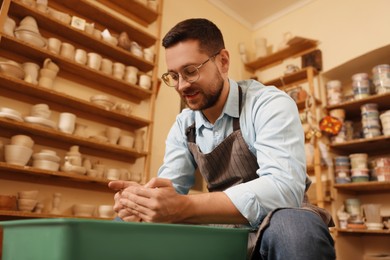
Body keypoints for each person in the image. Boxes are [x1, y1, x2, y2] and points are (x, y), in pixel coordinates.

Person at [109, 18, 335, 260]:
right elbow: (169, 188)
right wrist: (142, 204)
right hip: (222, 227)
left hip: (278, 222)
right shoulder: (184, 125)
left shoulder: (269, 103)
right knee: (123, 224)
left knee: (294, 227)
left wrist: (184, 207)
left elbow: (284, 189)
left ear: (223, 62)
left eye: (190, 71)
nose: (181, 85)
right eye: (173, 76)